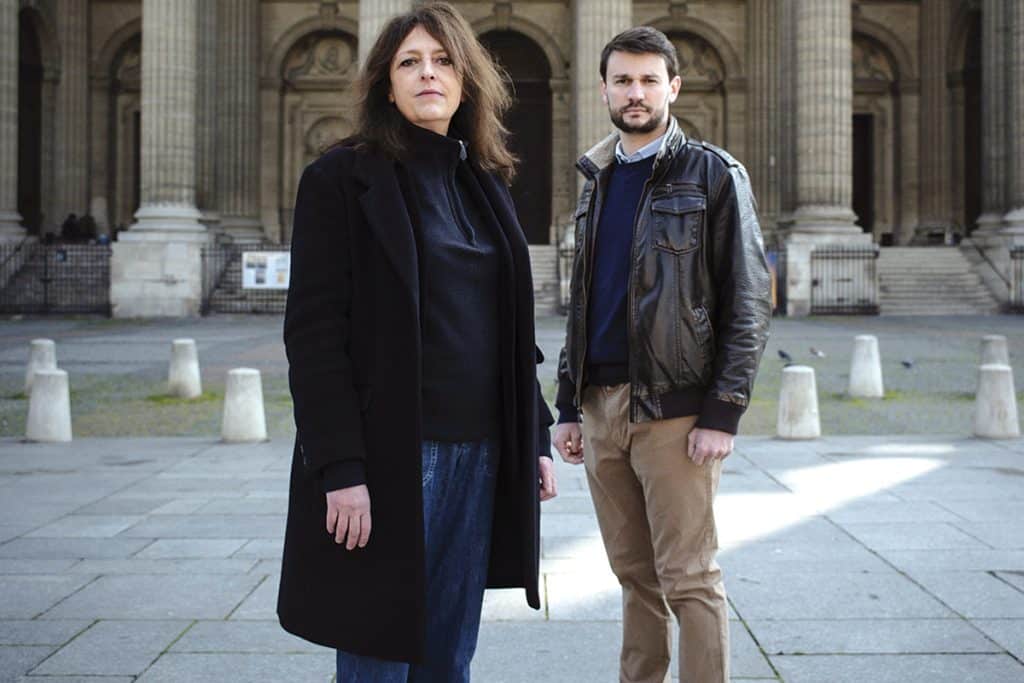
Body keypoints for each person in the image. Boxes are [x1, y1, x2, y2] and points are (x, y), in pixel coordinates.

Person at [277, 4, 557, 682]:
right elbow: (315, 337)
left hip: (481, 451)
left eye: (442, 61)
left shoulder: (483, 181)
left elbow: (507, 327)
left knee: (448, 650)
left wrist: (536, 433)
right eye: (409, 62)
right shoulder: (341, 179)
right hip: (391, 452)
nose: (427, 73)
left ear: (467, 80)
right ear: (386, 84)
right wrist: (340, 469)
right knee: (377, 651)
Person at [553, 27, 771, 683]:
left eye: (650, 79)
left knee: (690, 576)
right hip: (601, 408)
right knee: (632, 574)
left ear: (673, 87)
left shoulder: (712, 173)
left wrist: (723, 411)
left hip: (674, 411)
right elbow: (584, 300)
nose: (636, 92)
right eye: (623, 80)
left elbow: (749, 297)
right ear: (604, 90)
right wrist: (567, 406)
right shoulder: (596, 180)